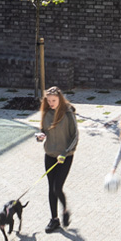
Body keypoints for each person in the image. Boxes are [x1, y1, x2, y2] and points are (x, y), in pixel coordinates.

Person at [35, 86, 78, 232]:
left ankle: (65, 210)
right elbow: (44, 130)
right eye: (49, 101)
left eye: (54, 100)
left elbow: (75, 136)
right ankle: (54, 220)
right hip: (50, 155)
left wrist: (65, 153)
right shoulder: (46, 113)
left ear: (60, 99)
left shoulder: (68, 113)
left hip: (65, 156)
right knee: (51, 188)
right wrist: (40, 136)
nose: (51, 103)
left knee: (57, 187)